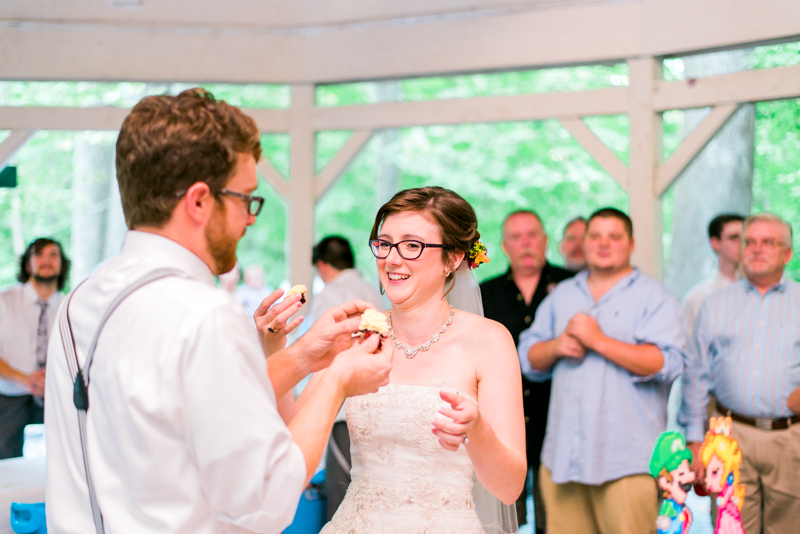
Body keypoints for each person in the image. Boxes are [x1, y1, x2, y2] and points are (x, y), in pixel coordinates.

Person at [45, 88, 393, 534]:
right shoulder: (205, 313)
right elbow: (266, 501)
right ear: (198, 201)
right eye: (245, 198)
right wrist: (337, 380)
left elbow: (181, 406)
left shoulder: (81, 300)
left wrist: (304, 355)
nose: (250, 218)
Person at [297, 186, 526, 533]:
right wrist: (277, 350)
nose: (391, 258)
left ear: (452, 258)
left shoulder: (490, 341)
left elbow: (509, 489)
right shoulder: (357, 335)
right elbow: (291, 449)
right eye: (384, 243)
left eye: (412, 245)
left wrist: (477, 430)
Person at [519, 207, 687, 534]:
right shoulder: (562, 295)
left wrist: (598, 341)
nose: (603, 243)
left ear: (632, 243)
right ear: (584, 243)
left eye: (614, 236)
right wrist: (556, 347)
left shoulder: (655, 297)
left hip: (627, 461)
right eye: (595, 236)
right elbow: (526, 357)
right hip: (562, 459)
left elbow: (669, 363)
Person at [681, 212, 800, 534]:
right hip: (728, 436)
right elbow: (696, 376)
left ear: (787, 253)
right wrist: (694, 441)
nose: (756, 249)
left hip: (790, 439)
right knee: (731, 528)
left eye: (769, 242)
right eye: (750, 241)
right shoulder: (714, 304)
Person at [480, 210, 574, 532]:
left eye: (532, 235)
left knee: (558, 521)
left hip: (560, 422)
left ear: (545, 240)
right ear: (505, 245)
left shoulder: (572, 286)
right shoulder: (483, 293)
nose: (526, 243)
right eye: (516, 237)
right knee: (504, 519)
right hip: (502, 423)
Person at [308, 235, 383, 520]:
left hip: (341, 407)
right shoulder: (373, 291)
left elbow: (319, 355)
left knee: (341, 495)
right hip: (376, 400)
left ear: (323, 266)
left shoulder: (328, 296)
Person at [0, 238, 69, 459]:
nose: (46, 261)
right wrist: (23, 378)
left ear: (62, 264)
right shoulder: (4, 301)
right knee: (6, 463)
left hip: (55, 395)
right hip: (10, 394)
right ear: (28, 264)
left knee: (60, 459)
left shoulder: (70, 305)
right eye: (39, 255)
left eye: (53, 255)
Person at [682, 213, 744, 332]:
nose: (742, 244)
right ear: (715, 243)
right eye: (734, 238)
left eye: (746, 238)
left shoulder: (763, 293)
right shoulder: (700, 298)